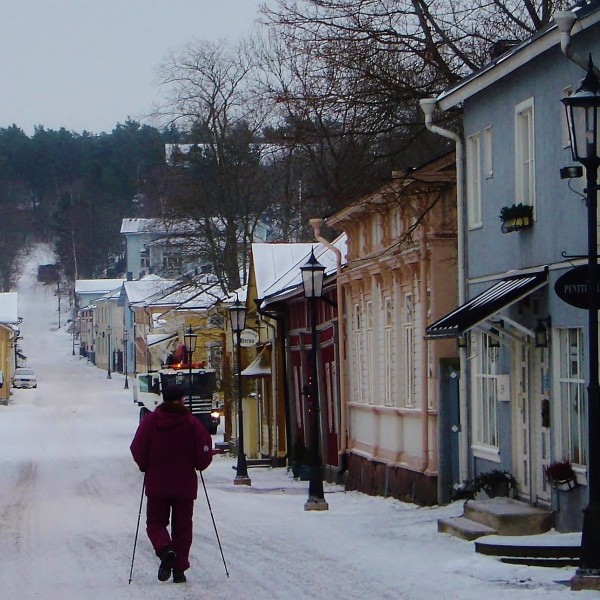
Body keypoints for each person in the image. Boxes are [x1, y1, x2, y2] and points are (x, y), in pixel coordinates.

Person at [130, 383, 213, 584]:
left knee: (155, 523)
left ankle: (165, 549)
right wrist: (200, 464)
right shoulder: (191, 423)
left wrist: (145, 466)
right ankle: (179, 569)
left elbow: (137, 447)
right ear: (180, 400)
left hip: (157, 483)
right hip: (184, 485)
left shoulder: (150, 422)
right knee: (182, 527)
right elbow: (204, 448)